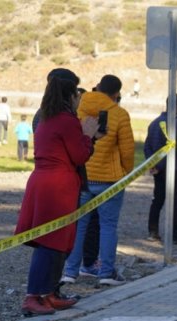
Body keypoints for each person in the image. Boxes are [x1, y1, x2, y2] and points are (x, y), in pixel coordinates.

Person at [15, 68, 99, 316]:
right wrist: (88, 135)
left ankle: (48, 292)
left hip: (42, 181)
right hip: (58, 184)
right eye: (77, 93)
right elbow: (80, 155)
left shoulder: (44, 116)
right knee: (52, 241)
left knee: (53, 241)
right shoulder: (66, 120)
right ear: (71, 94)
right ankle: (34, 295)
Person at [62, 74, 134, 287]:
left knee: (79, 226)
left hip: (83, 177)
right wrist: (126, 172)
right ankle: (106, 273)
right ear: (116, 93)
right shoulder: (120, 114)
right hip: (110, 180)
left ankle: (70, 271)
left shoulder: (79, 109)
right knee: (108, 226)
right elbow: (128, 150)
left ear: (98, 87)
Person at [145, 95, 177, 243]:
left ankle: (153, 230)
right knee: (175, 202)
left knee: (158, 199)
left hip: (158, 169)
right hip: (175, 169)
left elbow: (147, 146)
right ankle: (173, 234)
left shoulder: (154, 123)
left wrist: (153, 165)